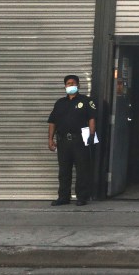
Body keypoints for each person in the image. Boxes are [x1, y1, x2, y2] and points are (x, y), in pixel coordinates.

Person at [47, 74, 96, 206]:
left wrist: (92, 134)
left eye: (73, 83)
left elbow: (92, 118)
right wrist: (50, 139)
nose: (71, 85)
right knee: (64, 171)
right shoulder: (60, 103)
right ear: (65, 86)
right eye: (68, 83)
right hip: (63, 141)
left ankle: (82, 197)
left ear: (78, 85)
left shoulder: (86, 101)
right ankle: (63, 197)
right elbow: (52, 122)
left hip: (79, 140)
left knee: (82, 170)